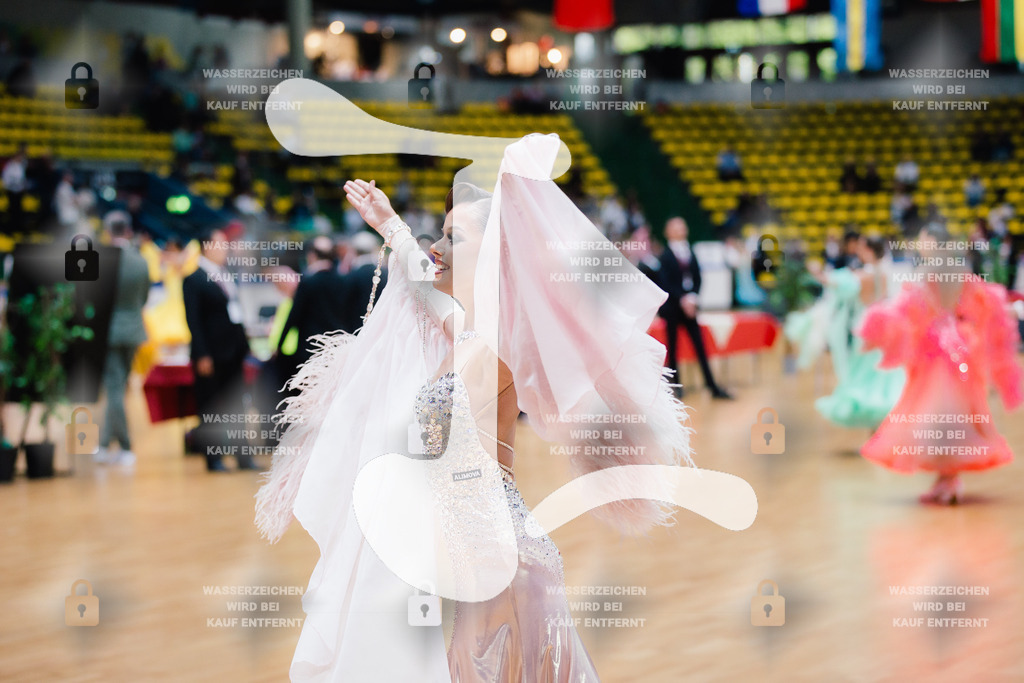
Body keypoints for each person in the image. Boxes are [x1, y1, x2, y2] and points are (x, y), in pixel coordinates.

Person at [255, 136, 702, 681]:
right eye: (438, 233)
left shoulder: (504, 344)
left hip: (496, 562)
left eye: (452, 236)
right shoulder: (468, 330)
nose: (436, 246)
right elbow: (425, 285)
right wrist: (390, 225)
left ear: (492, 255)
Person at [858, 225, 1024, 504]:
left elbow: (908, 306)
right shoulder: (958, 271)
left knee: (938, 415)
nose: (920, 244)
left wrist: (878, 327)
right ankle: (945, 480)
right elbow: (983, 300)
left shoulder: (933, 271)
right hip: (958, 347)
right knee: (949, 416)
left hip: (939, 351)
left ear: (934, 242)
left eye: (923, 239)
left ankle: (949, 480)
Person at [182, 228, 256, 472]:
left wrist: (245, 346)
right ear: (207, 247)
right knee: (210, 406)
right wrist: (202, 354)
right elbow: (194, 320)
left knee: (237, 404)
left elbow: (235, 312)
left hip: (233, 350)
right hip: (211, 354)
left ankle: (242, 456)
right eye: (221, 244)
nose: (225, 248)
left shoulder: (226, 274)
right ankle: (213, 458)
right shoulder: (193, 279)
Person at [655, 217, 733, 399]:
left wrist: (693, 297)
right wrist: (682, 299)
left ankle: (712, 386)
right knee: (672, 349)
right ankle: (677, 388)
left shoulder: (690, 252)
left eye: (682, 227)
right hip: (673, 309)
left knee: (700, 347)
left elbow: (698, 277)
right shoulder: (665, 256)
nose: (680, 230)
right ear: (668, 232)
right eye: (676, 228)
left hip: (690, 308)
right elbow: (665, 282)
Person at [96, 217, 150, 466]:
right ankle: (105, 444)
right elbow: (144, 297)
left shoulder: (100, 262)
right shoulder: (141, 261)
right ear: (128, 232)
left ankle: (127, 446)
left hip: (108, 332)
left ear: (108, 233)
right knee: (119, 387)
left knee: (115, 389)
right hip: (134, 331)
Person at [277, 236, 350, 369]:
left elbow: (295, 316)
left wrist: (279, 345)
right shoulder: (343, 281)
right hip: (336, 347)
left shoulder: (308, 282)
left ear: (311, 255)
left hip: (310, 348)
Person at [2, 145, 29, 234]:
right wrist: (15, 183)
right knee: (13, 210)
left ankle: (18, 228)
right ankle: (11, 228)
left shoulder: (20, 166)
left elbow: (22, 177)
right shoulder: (10, 166)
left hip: (19, 191)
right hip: (12, 191)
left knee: (19, 210)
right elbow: (7, 179)